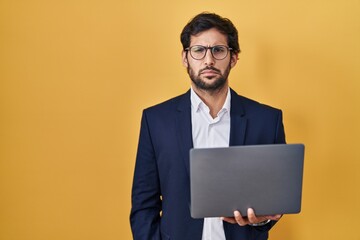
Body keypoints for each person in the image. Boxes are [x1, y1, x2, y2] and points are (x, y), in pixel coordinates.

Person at [130, 12, 286, 240]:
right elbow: (144, 205)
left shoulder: (267, 120)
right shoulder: (156, 121)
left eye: (218, 50)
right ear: (185, 58)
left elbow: (270, 206)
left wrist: (262, 219)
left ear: (233, 58)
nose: (208, 60)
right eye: (198, 50)